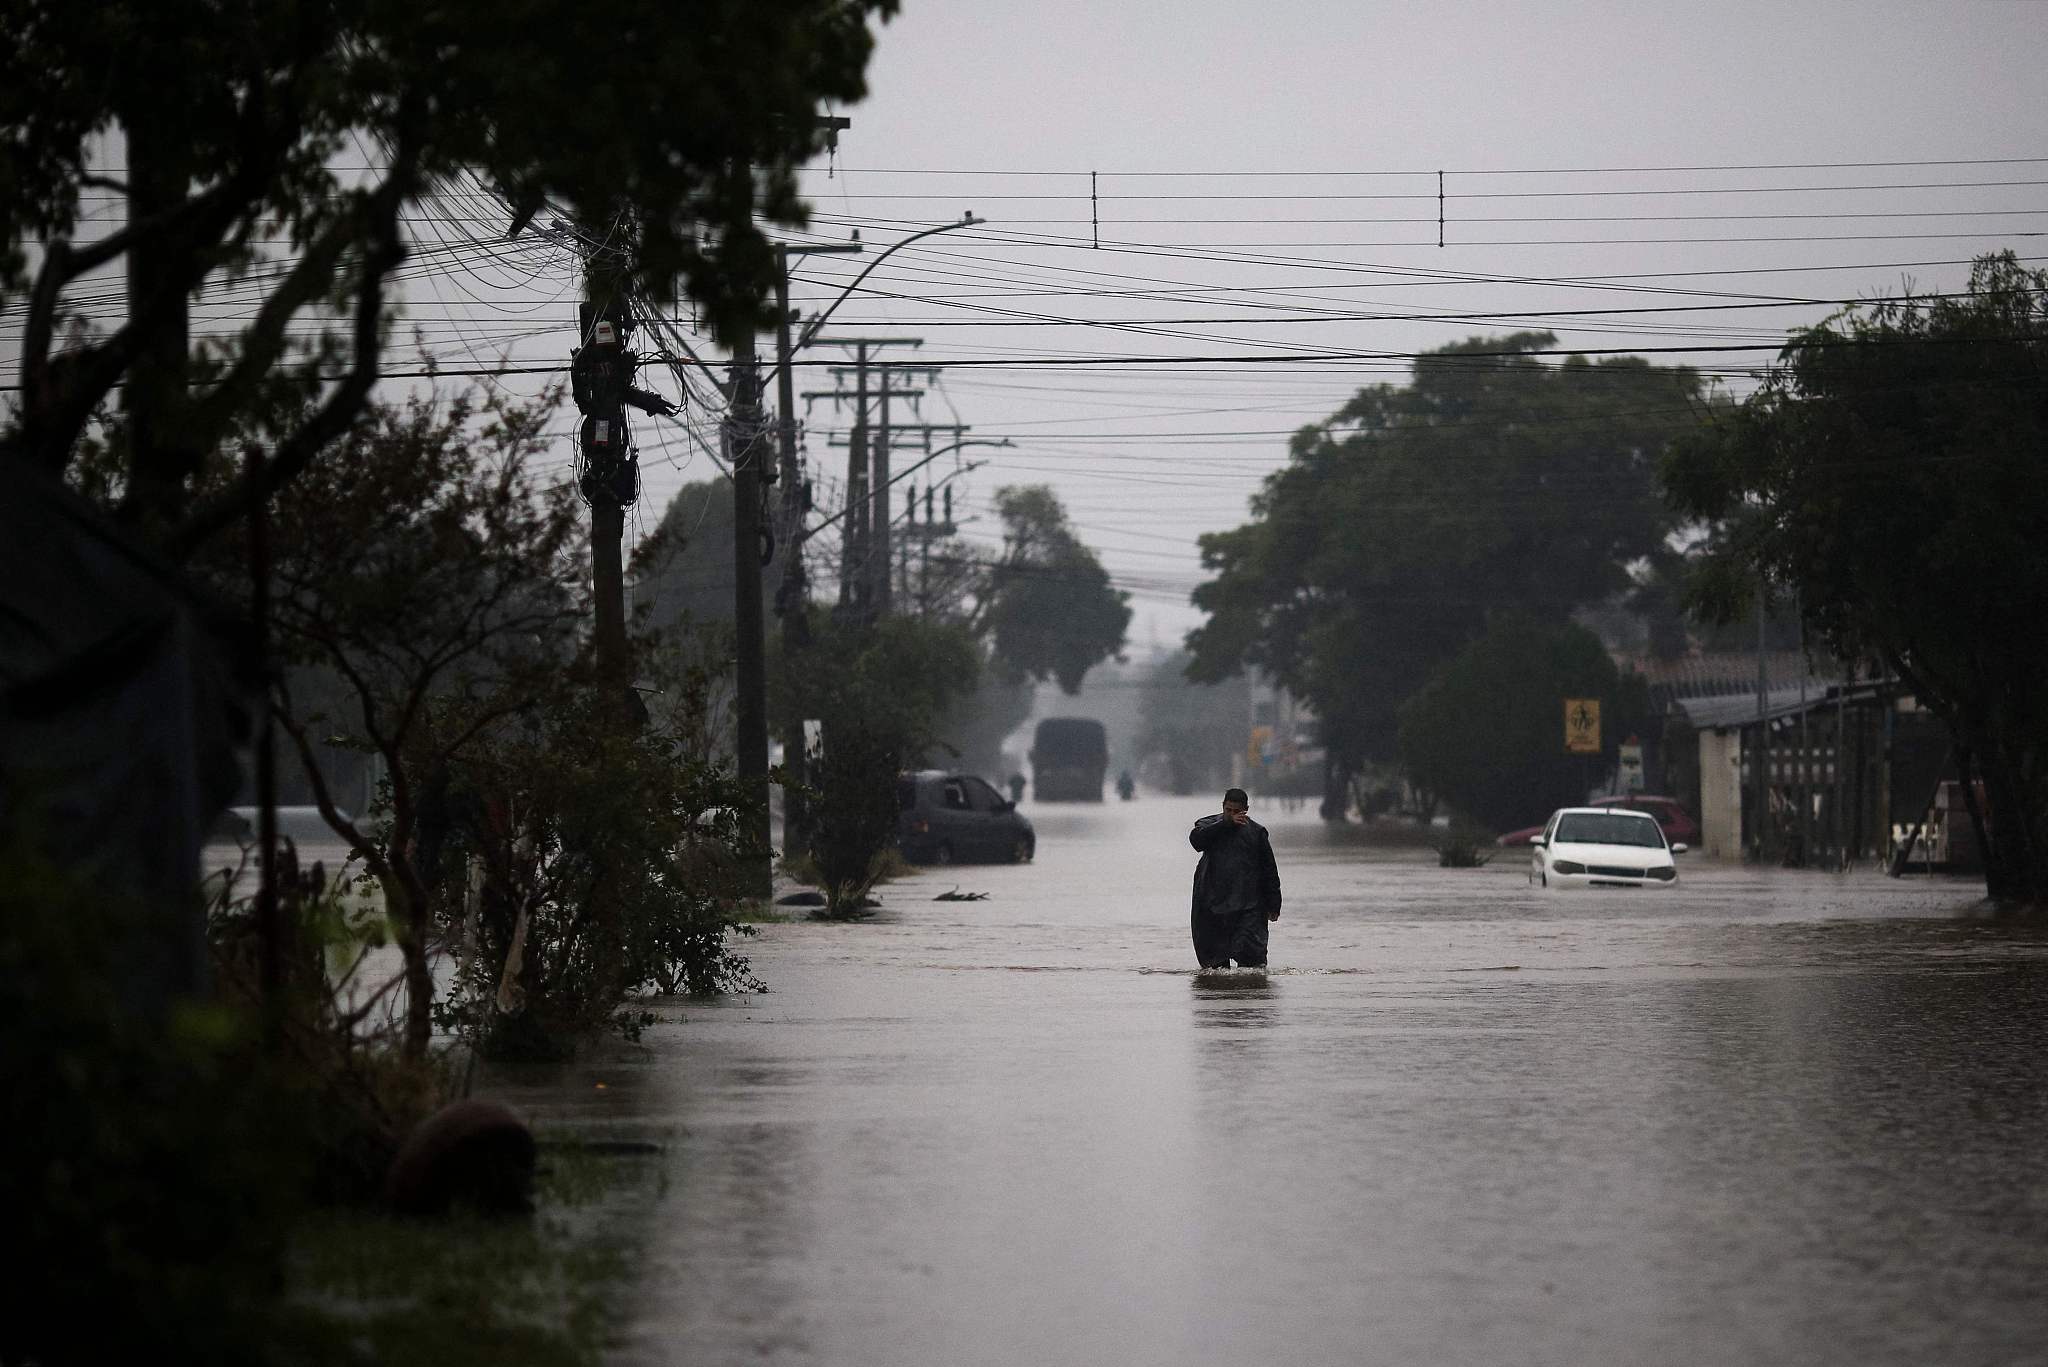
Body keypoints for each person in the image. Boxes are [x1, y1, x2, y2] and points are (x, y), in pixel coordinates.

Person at [1188, 787, 1282, 969]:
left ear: (1245, 810)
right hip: (1213, 906)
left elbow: (1269, 870)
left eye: (1236, 811)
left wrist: (1274, 904)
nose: (1232, 815)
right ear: (1222, 807)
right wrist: (1225, 823)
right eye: (1228, 810)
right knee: (1215, 968)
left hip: (1249, 907)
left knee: (1252, 965)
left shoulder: (1257, 833)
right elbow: (1196, 841)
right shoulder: (1208, 827)